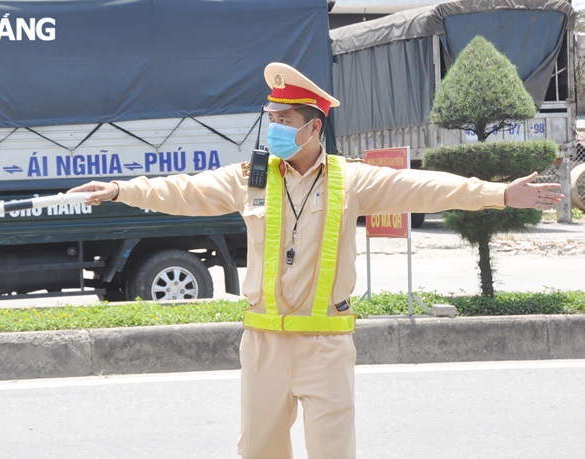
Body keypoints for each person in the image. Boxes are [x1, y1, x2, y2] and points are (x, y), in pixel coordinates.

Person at [68, 62, 564, 458]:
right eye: (272, 119)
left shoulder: (352, 179)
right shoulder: (256, 175)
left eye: (285, 121)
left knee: (332, 452)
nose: (275, 129)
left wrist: (501, 194)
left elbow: (428, 187)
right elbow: (186, 190)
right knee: (259, 451)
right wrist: (120, 189)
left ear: (314, 126)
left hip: (326, 343)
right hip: (263, 345)